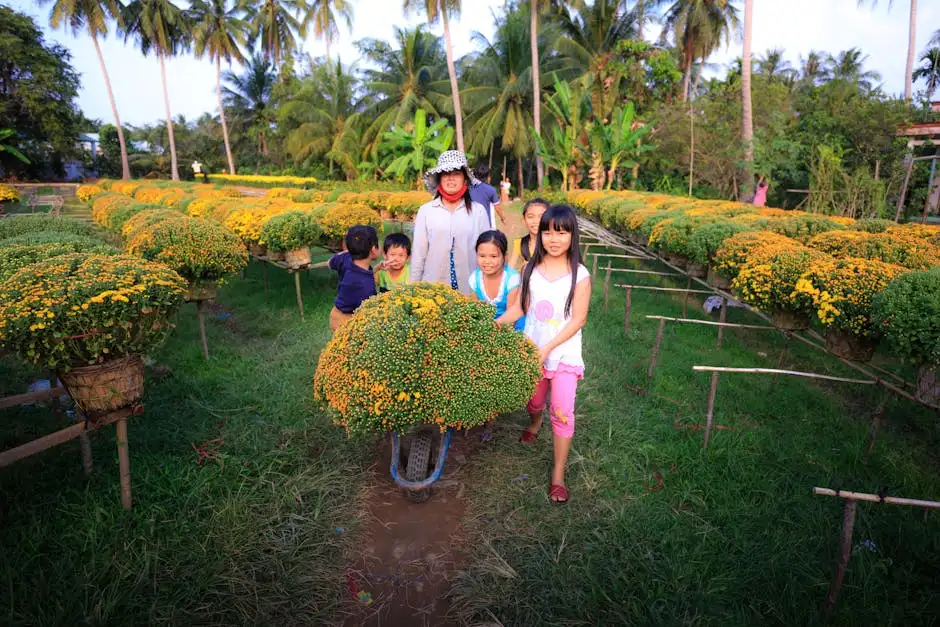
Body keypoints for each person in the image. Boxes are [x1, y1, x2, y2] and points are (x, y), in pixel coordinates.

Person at [496, 205, 591, 504]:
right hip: (532, 352)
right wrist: (493, 324)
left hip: (563, 355)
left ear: (572, 236)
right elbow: (520, 308)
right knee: (534, 402)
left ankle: (558, 474)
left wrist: (548, 348)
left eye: (561, 233)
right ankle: (535, 423)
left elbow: (578, 320)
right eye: (548, 232)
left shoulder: (580, 275)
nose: (554, 239)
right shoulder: (530, 269)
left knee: (561, 412)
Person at [410, 151, 490, 295]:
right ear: (439, 179)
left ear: (465, 179)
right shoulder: (426, 211)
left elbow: (487, 252)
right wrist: (412, 291)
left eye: (457, 173)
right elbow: (418, 255)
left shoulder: (478, 212)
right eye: (446, 174)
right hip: (432, 291)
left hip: (469, 291)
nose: (451, 178)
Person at [469, 230, 524, 331]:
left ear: (505, 257)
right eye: (482, 256)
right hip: (486, 327)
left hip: (512, 328)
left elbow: (512, 318)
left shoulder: (512, 280)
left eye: (493, 256)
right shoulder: (474, 279)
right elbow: (475, 312)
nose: (487, 261)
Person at [328, 225, 380, 332]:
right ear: (374, 249)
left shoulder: (346, 257)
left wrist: (377, 268)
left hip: (336, 314)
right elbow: (369, 315)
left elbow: (330, 263)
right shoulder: (364, 285)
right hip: (346, 321)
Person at [508, 198, 549, 270]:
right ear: (523, 220)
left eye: (541, 216)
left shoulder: (554, 244)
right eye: (530, 217)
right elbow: (509, 270)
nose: (536, 221)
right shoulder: (520, 243)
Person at [470, 164, 507, 228]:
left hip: (471, 225)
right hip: (486, 225)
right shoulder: (491, 190)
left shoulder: (468, 188)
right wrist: (503, 218)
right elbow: (498, 208)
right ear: (487, 176)